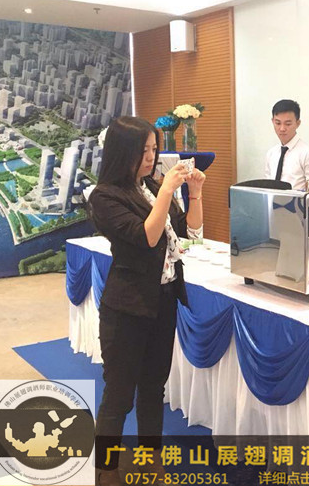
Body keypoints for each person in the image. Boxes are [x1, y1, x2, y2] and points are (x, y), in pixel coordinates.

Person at [89, 116, 205, 486]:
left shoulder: (151, 187)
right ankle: (106, 468)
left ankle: (151, 461)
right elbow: (146, 237)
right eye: (144, 151)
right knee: (119, 394)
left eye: (154, 149)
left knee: (154, 388)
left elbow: (190, 232)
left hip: (163, 300)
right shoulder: (105, 196)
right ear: (123, 152)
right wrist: (168, 190)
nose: (151, 157)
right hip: (126, 307)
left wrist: (195, 192)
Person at [264, 99, 309, 190]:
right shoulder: (271, 153)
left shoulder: (308, 154)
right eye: (278, 123)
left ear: (298, 123)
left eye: (288, 124)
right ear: (272, 121)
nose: (282, 128)